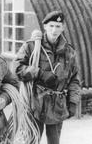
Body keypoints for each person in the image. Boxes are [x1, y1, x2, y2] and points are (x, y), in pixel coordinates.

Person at [13, 10, 81, 144]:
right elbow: (16, 68)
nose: (54, 30)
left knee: (54, 142)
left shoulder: (69, 52)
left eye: (58, 26)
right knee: (31, 140)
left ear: (63, 28)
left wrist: (73, 101)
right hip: (35, 103)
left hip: (57, 105)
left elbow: (74, 79)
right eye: (51, 26)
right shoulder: (32, 46)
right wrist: (39, 73)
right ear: (44, 26)